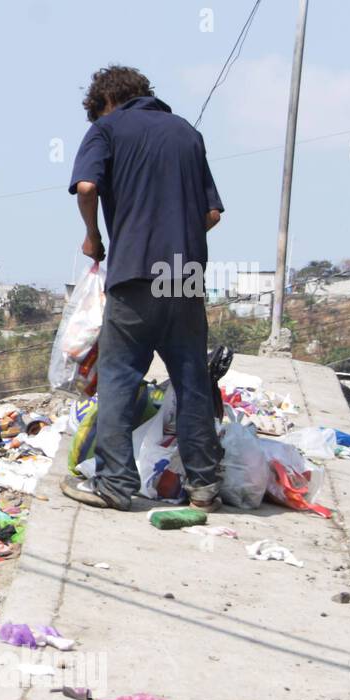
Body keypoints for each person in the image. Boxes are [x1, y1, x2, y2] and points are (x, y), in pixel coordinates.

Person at [62, 65, 225, 511]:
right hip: (186, 275)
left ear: (106, 103)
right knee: (191, 378)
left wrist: (93, 237)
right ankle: (205, 488)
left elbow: (88, 185)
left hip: (135, 273)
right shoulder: (187, 134)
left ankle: (115, 485)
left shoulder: (108, 130)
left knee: (118, 377)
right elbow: (211, 214)